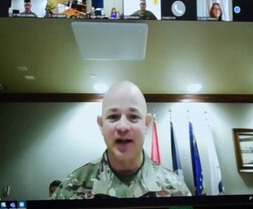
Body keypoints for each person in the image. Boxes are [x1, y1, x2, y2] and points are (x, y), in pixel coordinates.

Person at [53, 81, 191, 198]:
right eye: (113, 117)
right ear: (101, 125)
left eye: (133, 117)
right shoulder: (69, 190)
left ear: (147, 124)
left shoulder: (175, 188)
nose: (123, 127)